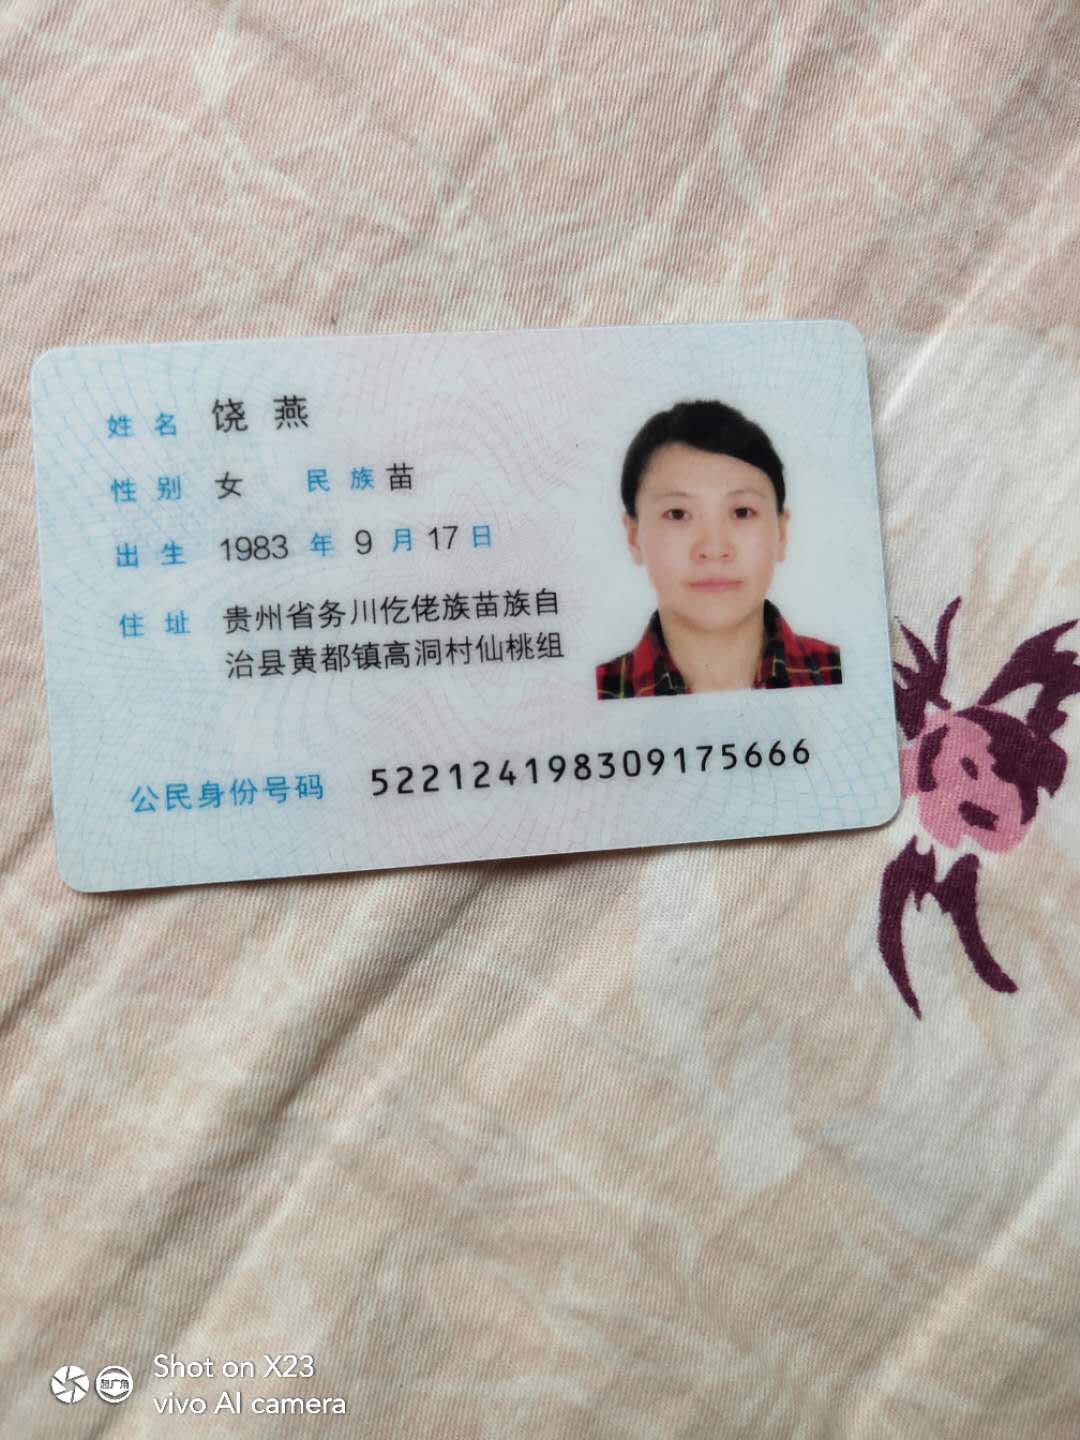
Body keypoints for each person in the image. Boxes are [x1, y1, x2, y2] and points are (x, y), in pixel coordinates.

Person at [596, 399, 842, 697]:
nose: (713, 549)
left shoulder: (841, 672)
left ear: (781, 533)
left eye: (742, 512)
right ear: (634, 537)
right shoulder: (600, 692)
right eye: (678, 514)